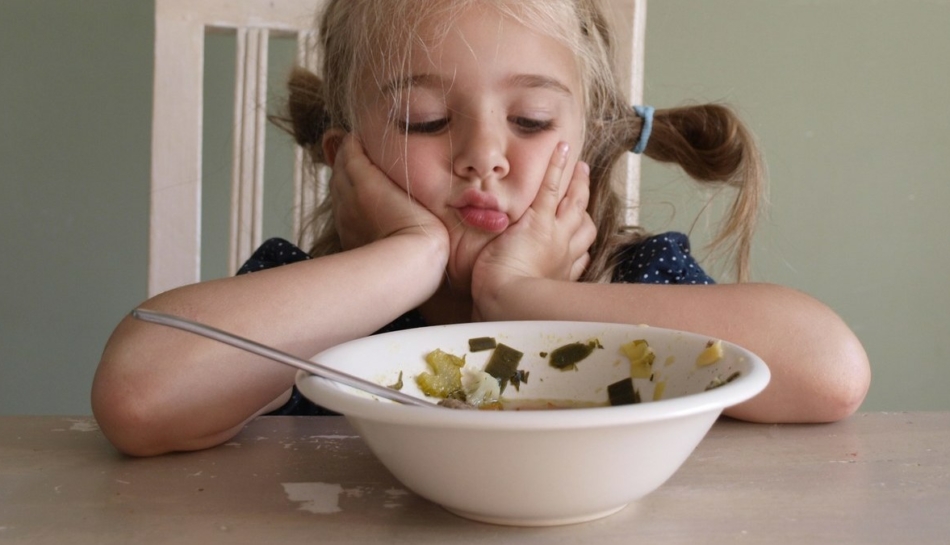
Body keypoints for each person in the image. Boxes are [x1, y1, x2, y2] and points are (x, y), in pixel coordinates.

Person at [92, 0, 870, 456]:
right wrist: (409, 255)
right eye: (424, 120)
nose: (482, 157)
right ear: (346, 155)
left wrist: (520, 295)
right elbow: (137, 395)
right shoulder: (313, 305)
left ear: (590, 146)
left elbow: (830, 371)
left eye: (530, 119)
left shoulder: (633, 282)